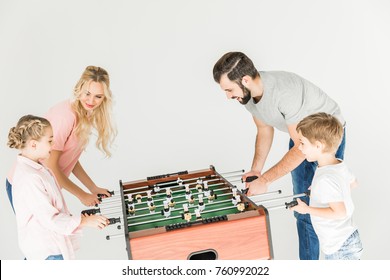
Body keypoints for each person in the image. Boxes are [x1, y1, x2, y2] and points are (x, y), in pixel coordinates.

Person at [212, 52, 346, 260]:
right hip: (302, 139)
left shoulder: (284, 92)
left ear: (245, 80)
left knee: (315, 209)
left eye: (229, 90)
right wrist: (257, 171)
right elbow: (264, 130)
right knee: (302, 209)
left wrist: (266, 180)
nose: (228, 96)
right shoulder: (248, 97)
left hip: (324, 140)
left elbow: (300, 149)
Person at [7, 115, 109, 260]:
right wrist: (84, 221)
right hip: (47, 251)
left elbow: (52, 210)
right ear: (33, 144)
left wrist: (82, 219)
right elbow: (50, 219)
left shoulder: (38, 169)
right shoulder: (29, 178)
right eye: (49, 141)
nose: (53, 144)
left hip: (50, 246)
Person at [290, 113, 362, 260]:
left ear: (318, 145)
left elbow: (339, 213)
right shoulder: (338, 164)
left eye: (302, 142)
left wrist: (306, 209)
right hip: (346, 240)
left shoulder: (325, 179)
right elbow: (353, 183)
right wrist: (320, 194)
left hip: (340, 247)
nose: (299, 147)